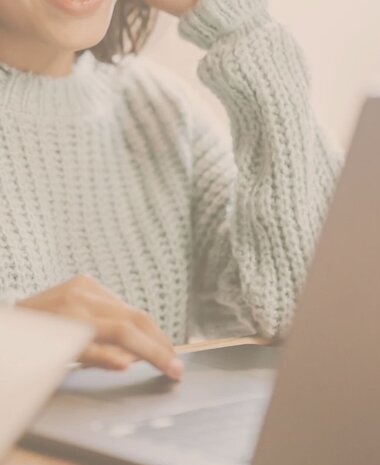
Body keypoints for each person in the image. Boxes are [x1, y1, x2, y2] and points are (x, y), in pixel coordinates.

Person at [0, 0, 341, 379]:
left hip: (140, 434)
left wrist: (241, 27)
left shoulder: (157, 108)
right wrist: (15, 333)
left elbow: (315, 319)